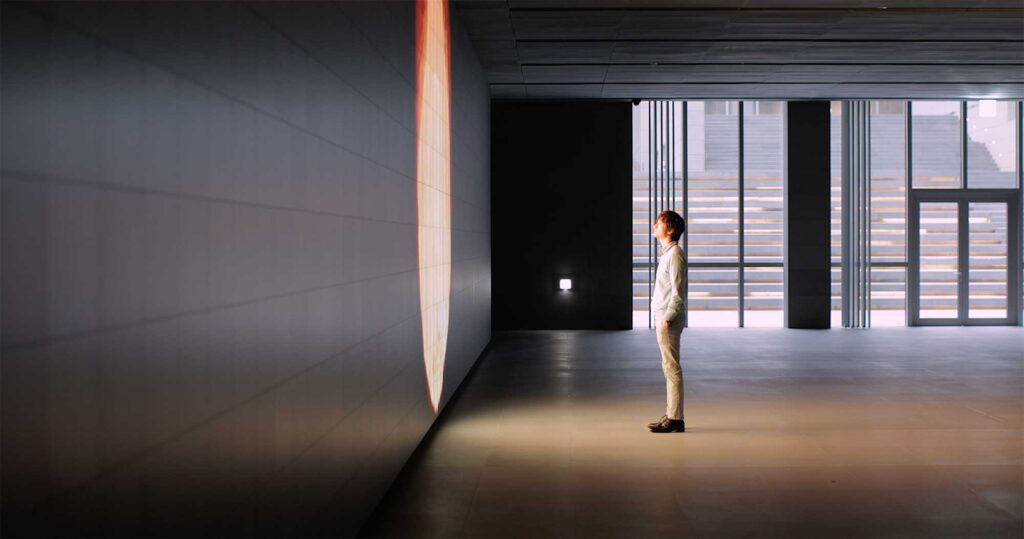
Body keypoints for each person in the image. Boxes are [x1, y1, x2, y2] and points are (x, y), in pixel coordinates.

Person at [648, 210, 688, 433]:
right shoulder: (668, 254)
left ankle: (675, 418)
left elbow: (678, 292)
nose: (654, 226)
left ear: (670, 229)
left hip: (668, 319)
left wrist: (668, 317)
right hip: (663, 316)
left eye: (659, 223)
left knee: (672, 367)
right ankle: (672, 414)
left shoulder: (675, 255)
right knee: (668, 367)